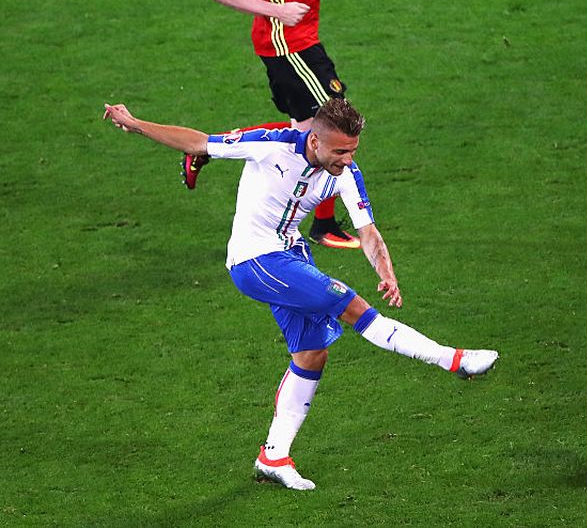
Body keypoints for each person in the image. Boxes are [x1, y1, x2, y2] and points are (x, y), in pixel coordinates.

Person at [103, 98, 498, 490]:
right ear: (315, 141)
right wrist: (135, 123)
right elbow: (198, 143)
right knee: (353, 308)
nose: (347, 159)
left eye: (353, 150)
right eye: (340, 150)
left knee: (311, 353)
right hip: (254, 261)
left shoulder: (346, 173)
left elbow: (368, 233)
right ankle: (453, 360)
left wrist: (387, 272)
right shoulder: (271, 144)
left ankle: (273, 455)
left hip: (292, 259)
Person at [187, 0, 358, 249]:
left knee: (304, 130)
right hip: (289, 44)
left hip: (301, 38)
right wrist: (273, 10)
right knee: (334, 121)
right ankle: (324, 223)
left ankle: (207, 148)